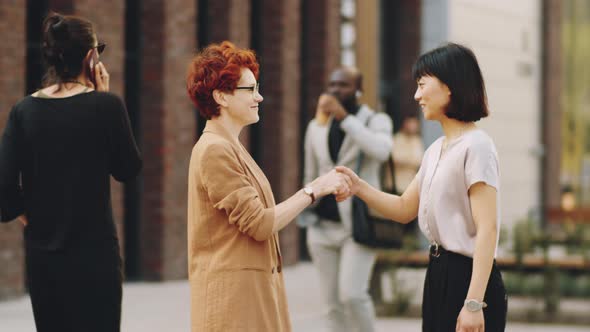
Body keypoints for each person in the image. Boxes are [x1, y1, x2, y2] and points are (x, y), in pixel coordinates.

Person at [336, 43, 507, 332]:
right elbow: (404, 209)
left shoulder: (478, 147)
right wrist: (359, 187)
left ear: (449, 86)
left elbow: (487, 229)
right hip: (438, 272)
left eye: (422, 85)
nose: (417, 96)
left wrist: (474, 303)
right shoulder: (436, 149)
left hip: (468, 279)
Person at [185, 41, 351, 332]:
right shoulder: (215, 150)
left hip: (250, 296)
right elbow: (260, 224)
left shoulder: (229, 146)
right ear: (221, 96)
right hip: (234, 304)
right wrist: (314, 189)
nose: (259, 97)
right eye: (249, 89)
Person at [0, 13, 141, 332]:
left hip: (45, 260)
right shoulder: (106, 107)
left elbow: (4, 188)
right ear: (91, 57)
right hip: (97, 259)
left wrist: (31, 219)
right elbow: (128, 169)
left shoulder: (23, 112)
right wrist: (104, 98)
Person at [300, 67, 393, 332]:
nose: (335, 90)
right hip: (321, 227)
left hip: (358, 225)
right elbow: (310, 173)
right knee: (331, 305)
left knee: (352, 296)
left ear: (358, 89)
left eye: (343, 85)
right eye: (331, 84)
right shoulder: (315, 127)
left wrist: (344, 118)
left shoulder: (376, 120)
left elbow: (382, 151)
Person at [392, 116, 423, 194]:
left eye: (415, 124)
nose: (413, 127)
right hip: (396, 185)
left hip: (411, 186)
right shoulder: (397, 138)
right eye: (411, 124)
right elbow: (396, 159)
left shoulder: (417, 140)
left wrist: (406, 160)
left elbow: (420, 161)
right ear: (405, 124)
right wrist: (411, 160)